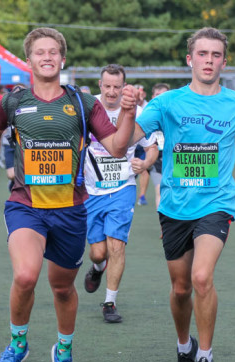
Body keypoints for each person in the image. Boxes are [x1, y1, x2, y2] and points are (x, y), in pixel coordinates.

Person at [0, 27, 137, 362]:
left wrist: (127, 113)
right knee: (24, 276)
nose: (47, 57)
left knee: (63, 288)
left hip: (70, 210)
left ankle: (63, 353)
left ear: (62, 60)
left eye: (54, 52)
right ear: (29, 60)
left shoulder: (82, 103)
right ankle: (18, 344)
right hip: (26, 206)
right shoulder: (13, 102)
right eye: (40, 52)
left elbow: (116, 146)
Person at [128, 27, 235, 362]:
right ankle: (185, 349)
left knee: (201, 277)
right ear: (189, 59)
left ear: (224, 62)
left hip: (217, 203)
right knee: (180, 289)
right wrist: (129, 109)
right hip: (175, 206)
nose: (209, 61)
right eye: (202, 54)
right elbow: (130, 135)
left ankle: (206, 359)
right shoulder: (168, 104)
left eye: (215, 55)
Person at [82, 64, 157, 323]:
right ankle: (97, 268)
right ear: (100, 86)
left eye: (117, 86)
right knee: (98, 252)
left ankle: (109, 302)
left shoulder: (138, 112)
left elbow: (152, 147)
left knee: (117, 246)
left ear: (124, 87)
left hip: (123, 188)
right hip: (91, 191)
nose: (112, 92)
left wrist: (145, 164)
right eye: (107, 86)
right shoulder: (87, 106)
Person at [147, 83, 170, 210]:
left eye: (164, 95)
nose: (161, 98)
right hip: (157, 159)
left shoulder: (176, 114)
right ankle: (164, 226)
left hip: (175, 159)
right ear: (153, 96)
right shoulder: (148, 114)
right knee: (160, 191)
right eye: (157, 95)